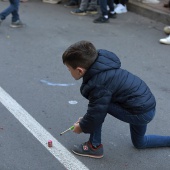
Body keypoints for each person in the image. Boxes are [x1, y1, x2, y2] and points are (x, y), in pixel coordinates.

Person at [62, 40, 170, 159]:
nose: (68, 71)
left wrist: (83, 126)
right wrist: (87, 119)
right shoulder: (103, 66)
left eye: (68, 69)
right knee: (140, 143)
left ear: (79, 70)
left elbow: (96, 113)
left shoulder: (98, 84)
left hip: (139, 112)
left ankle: (94, 147)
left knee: (99, 110)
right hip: (146, 106)